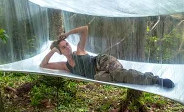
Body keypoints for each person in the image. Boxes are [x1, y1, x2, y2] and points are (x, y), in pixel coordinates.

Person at [40, 25, 175, 88]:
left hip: (103, 62)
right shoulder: (66, 66)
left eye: (67, 44)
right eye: (63, 47)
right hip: (99, 75)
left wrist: (67, 34)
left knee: (118, 74)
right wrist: (53, 51)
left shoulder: (79, 50)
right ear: (61, 52)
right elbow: (43, 65)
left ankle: (155, 80)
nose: (68, 47)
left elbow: (85, 29)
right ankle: (143, 78)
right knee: (107, 78)